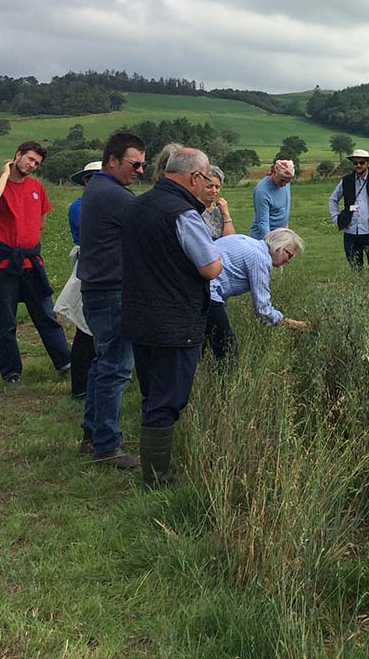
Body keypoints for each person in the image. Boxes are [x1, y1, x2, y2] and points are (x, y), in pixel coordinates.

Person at [121, 147, 223, 487]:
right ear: (195, 177)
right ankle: (157, 477)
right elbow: (211, 267)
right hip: (175, 322)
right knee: (168, 400)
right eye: (207, 178)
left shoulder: (136, 205)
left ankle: (153, 467)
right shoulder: (183, 214)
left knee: (152, 395)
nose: (207, 184)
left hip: (139, 316)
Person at [0, 140, 72, 386]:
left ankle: (66, 363)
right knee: (6, 322)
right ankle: (12, 373)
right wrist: (6, 174)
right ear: (17, 155)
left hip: (31, 262)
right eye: (29, 159)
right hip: (4, 264)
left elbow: (40, 222)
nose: (32, 165)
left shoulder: (37, 187)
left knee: (46, 315)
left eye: (37, 163)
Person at [77, 132, 148, 467]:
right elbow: (152, 219)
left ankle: (92, 436)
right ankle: (106, 446)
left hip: (98, 289)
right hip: (111, 291)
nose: (140, 170)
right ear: (113, 160)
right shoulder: (113, 194)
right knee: (116, 368)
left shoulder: (98, 189)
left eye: (144, 165)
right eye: (135, 164)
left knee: (102, 365)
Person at [205, 228, 309, 360]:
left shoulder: (245, 240)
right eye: (289, 255)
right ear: (280, 247)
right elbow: (263, 309)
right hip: (208, 293)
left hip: (194, 288)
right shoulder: (261, 259)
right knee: (227, 349)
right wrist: (294, 324)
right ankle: (229, 380)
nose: (288, 261)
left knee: (201, 341)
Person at [59, 159, 102, 401]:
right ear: (86, 181)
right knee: (85, 327)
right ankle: (80, 385)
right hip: (89, 265)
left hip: (99, 265)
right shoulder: (80, 207)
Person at [250, 159, 294, 240]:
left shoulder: (285, 183)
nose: (284, 184)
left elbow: (284, 209)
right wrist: (271, 244)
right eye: (282, 180)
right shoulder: (262, 191)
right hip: (263, 238)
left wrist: (286, 232)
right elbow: (263, 223)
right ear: (274, 172)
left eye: (287, 182)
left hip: (280, 235)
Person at [201, 165, 235, 240]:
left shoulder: (220, 209)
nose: (214, 191)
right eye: (209, 186)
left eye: (217, 187)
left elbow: (231, 239)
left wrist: (226, 215)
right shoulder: (195, 210)